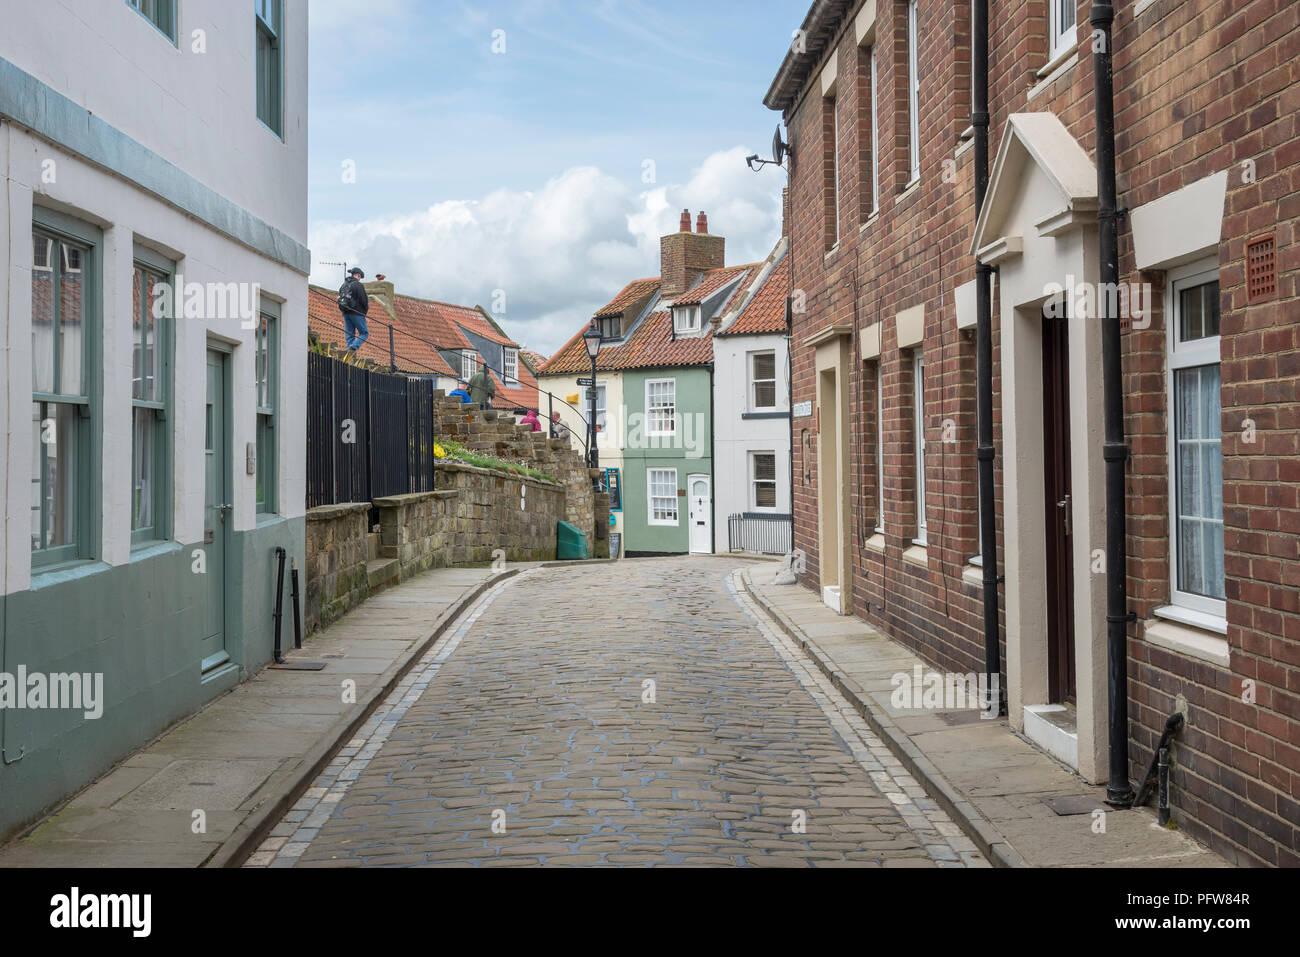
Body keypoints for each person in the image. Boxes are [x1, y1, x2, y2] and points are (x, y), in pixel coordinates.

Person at [337, 267, 370, 351]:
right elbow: (364, 300)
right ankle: (353, 347)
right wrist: (364, 312)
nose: (359, 279)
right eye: (360, 277)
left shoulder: (343, 285)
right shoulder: (358, 285)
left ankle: (349, 353)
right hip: (357, 313)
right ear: (358, 275)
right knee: (364, 333)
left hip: (345, 312)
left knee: (349, 334)